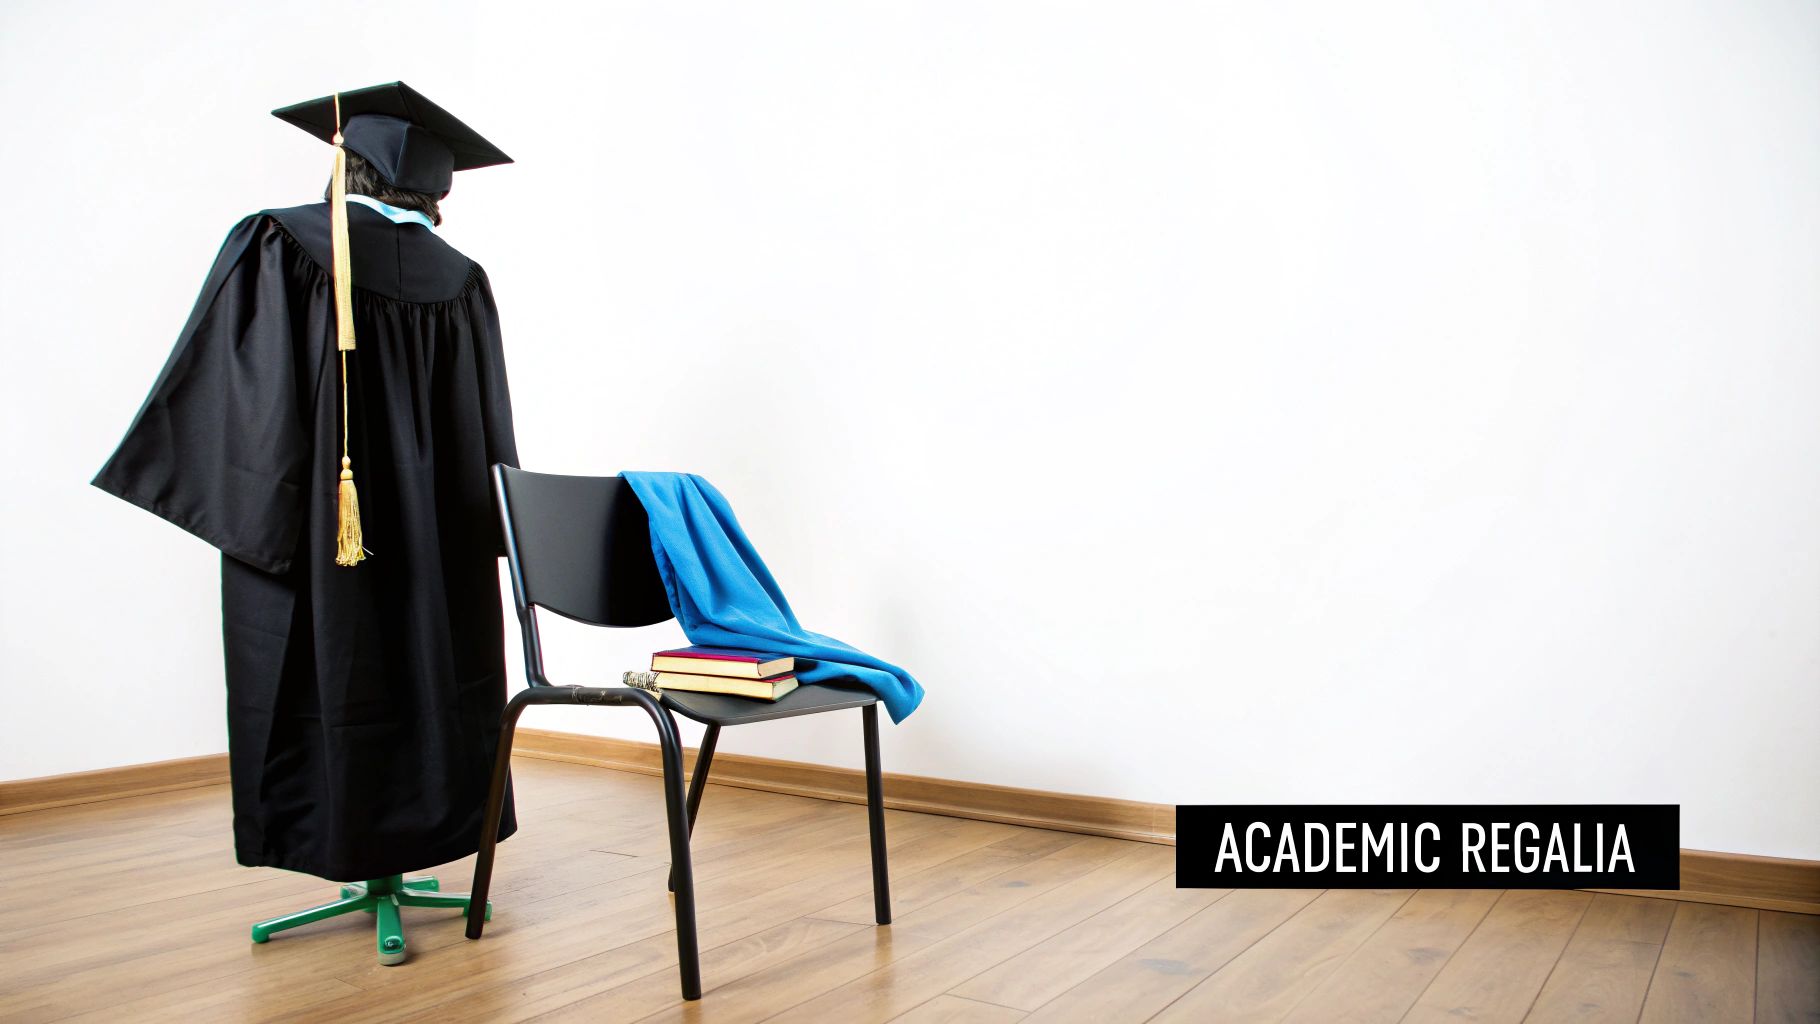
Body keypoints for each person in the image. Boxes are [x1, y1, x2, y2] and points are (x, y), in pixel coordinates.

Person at [93, 82, 519, 888]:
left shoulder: (279, 243)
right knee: (434, 667)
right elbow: (487, 438)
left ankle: (336, 845)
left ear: (347, 165)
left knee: (322, 672)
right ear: (435, 186)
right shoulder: (464, 280)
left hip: (323, 540)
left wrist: (261, 513)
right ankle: (420, 842)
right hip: (435, 552)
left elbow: (238, 403)